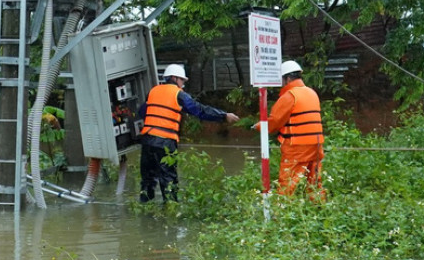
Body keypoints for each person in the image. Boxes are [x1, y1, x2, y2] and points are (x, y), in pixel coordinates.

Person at [138, 64, 239, 203]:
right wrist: (223, 116)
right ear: (174, 78)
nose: (183, 85)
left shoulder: (153, 91)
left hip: (147, 141)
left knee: (147, 180)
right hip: (165, 143)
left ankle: (145, 209)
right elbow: (199, 110)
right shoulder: (179, 94)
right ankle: (170, 213)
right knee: (169, 181)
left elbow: (142, 112)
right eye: (182, 81)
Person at [254, 60, 326, 200]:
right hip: (316, 145)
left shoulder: (289, 96)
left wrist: (259, 126)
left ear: (286, 78)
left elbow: (275, 122)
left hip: (297, 147)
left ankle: (281, 213)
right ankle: (319, 208)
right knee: (315, 181)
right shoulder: (311, 92)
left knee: (287, 183)